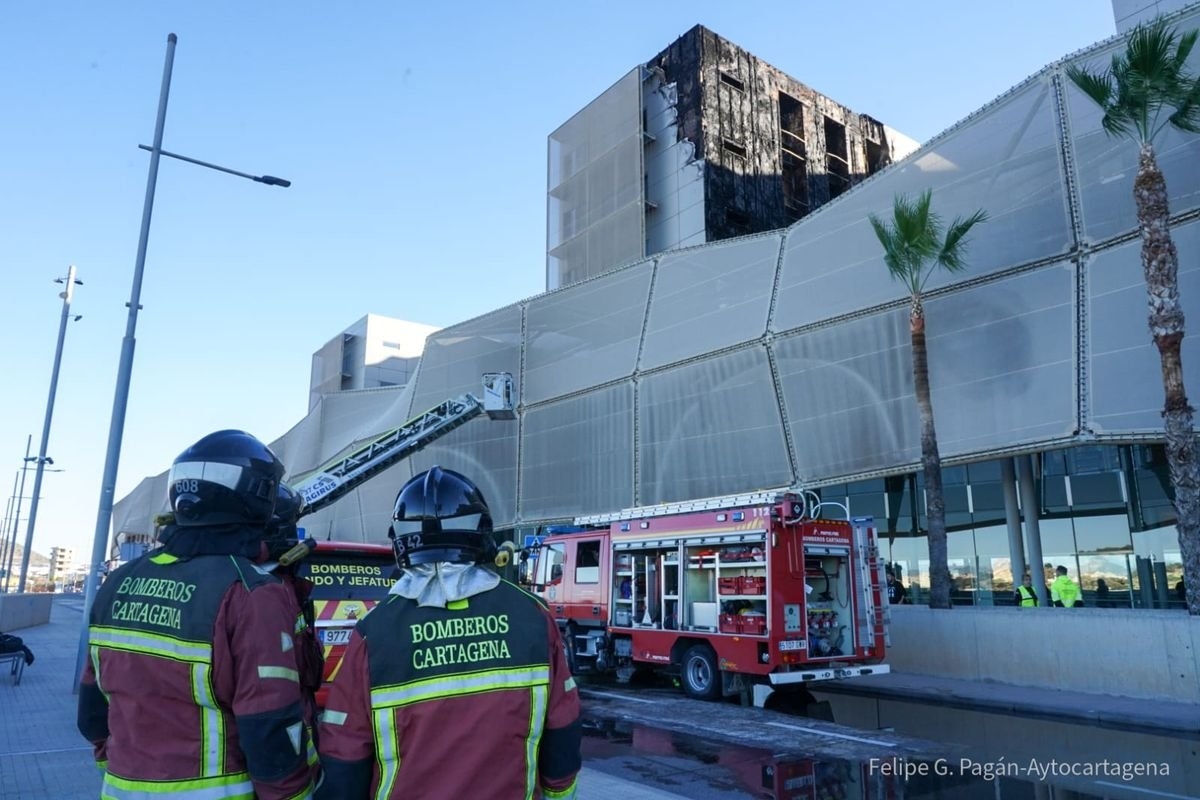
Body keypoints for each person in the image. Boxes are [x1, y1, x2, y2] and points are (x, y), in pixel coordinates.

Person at [77, 430, 317, 799]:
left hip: (120, 787)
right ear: (258, 497)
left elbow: (92, 706)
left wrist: (119, 763)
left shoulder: (120, 581)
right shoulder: (250, 592)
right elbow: (270, 725)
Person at [317, 466, 582, 799]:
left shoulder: (376, 630)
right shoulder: (531, 615)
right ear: (482, 532)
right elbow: (563, 727)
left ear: (401, 540)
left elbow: (345, 749)